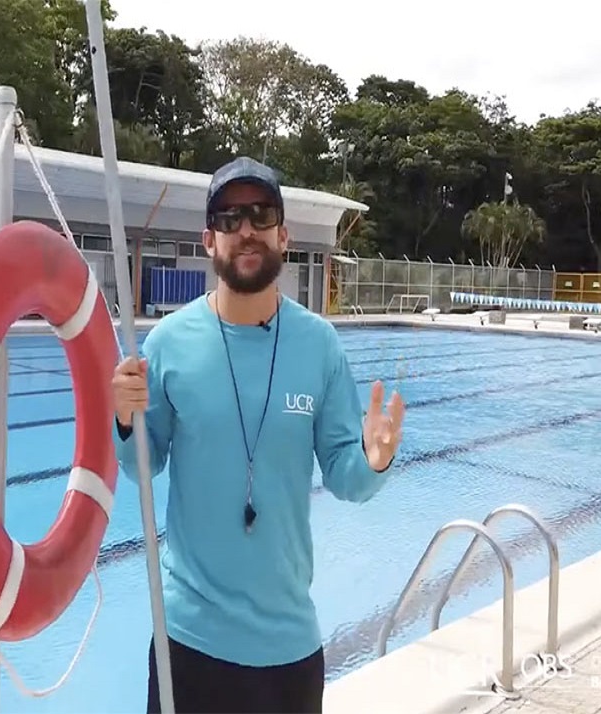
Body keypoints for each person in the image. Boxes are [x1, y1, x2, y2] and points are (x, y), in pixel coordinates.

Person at [111, 156, 405, 714]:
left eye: (260, 213)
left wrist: (373, 461)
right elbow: (142, 469)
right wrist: (125, 420)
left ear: (283, 235)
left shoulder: (318, 345)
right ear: (208, 240)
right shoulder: (168, 344)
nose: (245, 228)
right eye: (228, 218)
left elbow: (348, 478)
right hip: (188, 641)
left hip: (286, 646)